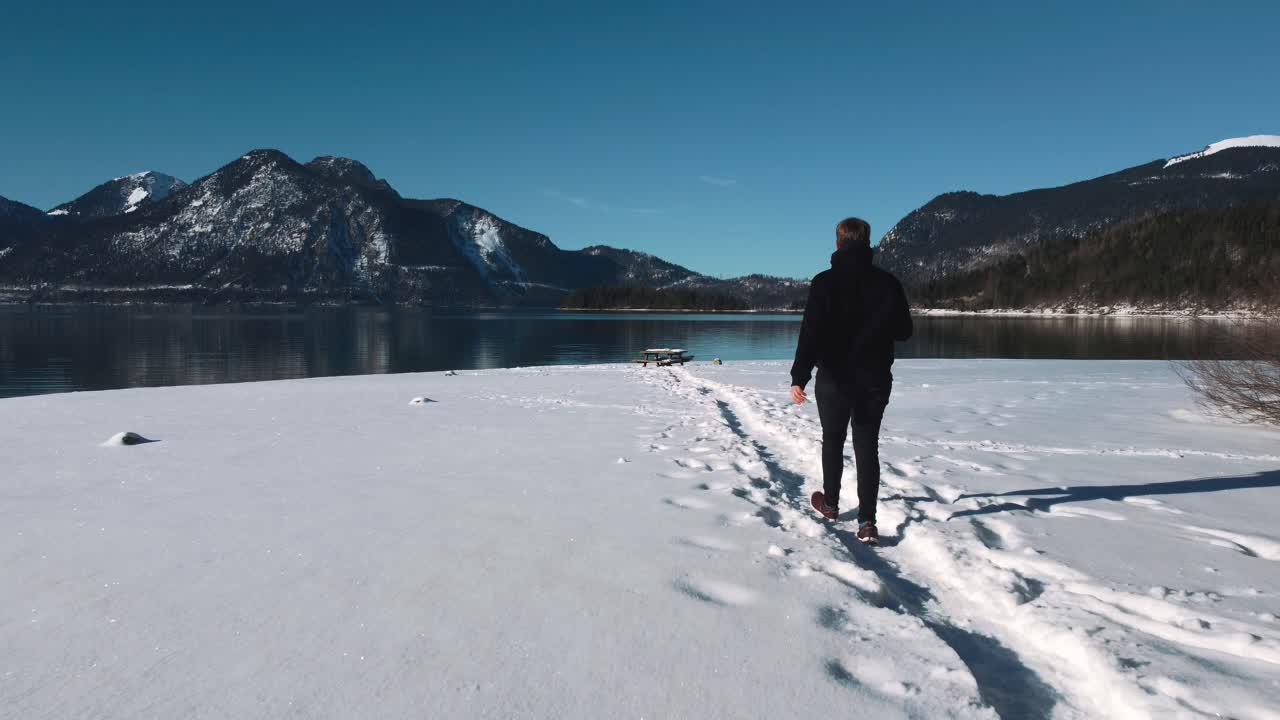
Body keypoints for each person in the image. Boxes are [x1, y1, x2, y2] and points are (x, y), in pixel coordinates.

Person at [789, 217, 913, 544]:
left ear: (837, 243)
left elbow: (811, 335)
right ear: (867, 241)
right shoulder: (888, 283)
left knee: (833, 439)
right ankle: (867, 522)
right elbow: (904, 331)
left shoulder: (824, 283)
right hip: (873, 379)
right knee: (866, 445)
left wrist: (799, 376)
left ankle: (830, 504)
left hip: (833, 379)